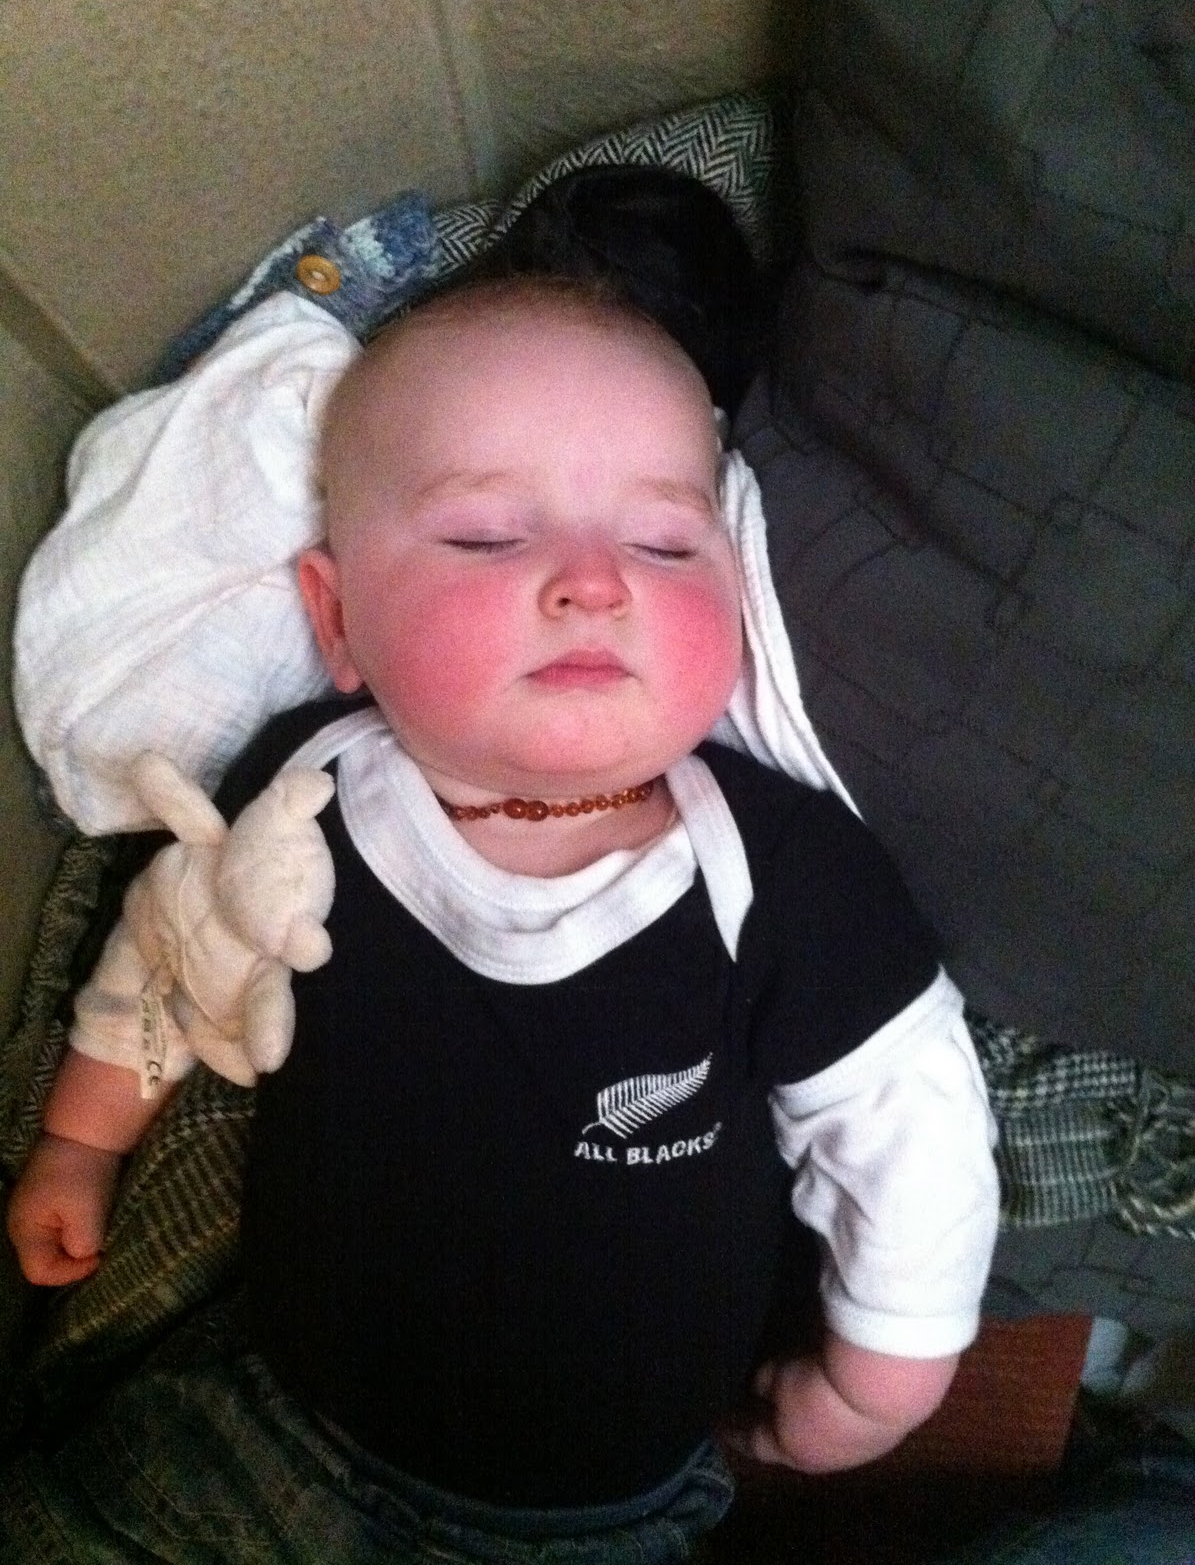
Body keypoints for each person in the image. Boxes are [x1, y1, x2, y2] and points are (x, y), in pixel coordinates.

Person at [3, 273, 999, 1562]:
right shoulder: (305, 798)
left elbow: (910, 1130)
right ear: (337, 618)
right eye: (483, 537)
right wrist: (82, 1139)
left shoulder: (786, 873)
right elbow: (173, 952)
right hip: (271, 1430)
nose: (593, 583)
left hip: (601, 1514)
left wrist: (882, 1380)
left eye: (664, 544)